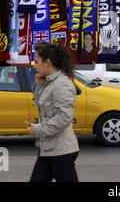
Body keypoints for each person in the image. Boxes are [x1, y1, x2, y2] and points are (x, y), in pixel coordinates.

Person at [26, 42, 79, 182]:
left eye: (37, 61)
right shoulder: (48, 82)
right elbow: (41, 105)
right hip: (49, 148)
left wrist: (38, 129)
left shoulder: (62, 84)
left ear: (47, 62)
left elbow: (64, 117)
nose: (34, 66)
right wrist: (38, 85)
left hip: (62, 151)